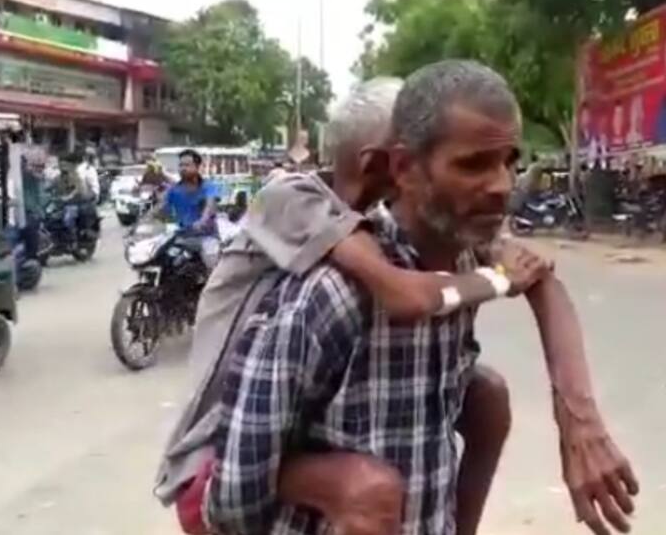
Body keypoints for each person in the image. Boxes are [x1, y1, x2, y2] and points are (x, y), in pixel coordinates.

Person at [157, 72, 637, 535]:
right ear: (395, 166)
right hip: (204, 463)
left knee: (487, 396)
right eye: (471, 163)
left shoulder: (457, 238)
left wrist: (580, 418)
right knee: (370, 491)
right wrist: (494, 279)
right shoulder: (307, 227)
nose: (502, 186)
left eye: (508, 162)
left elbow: (539, 280)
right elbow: (407, 294)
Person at [163, 149, 219, 269]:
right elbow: (161, 210)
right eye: (181, 165)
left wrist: (202, 221)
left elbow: (210, 207)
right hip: (181, 237)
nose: (183, 168)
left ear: (197, 167)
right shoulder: (173, 190)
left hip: (205, 236)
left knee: (212, 267)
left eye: (187, 165)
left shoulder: (208, 186)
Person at [52, 157, 87, 245]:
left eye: (64, 165)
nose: (63, 167)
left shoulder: (75, 176)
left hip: (73, 204)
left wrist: (70, 196)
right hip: (60, 204)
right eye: (61, 165)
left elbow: (79, 189)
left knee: (68, 219)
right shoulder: (57, 178)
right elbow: (49, 187)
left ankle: (73, 239)